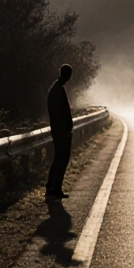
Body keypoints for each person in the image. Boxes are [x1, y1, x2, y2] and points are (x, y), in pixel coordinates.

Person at [46, 64, 74, 199]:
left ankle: (52, 187)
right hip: (60, 131)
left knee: (59, 158)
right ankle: (54, 188)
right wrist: (65, 129)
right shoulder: (57, 91)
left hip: (59, 130)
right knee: (61, 159)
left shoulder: (56, 89)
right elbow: (59, 113)